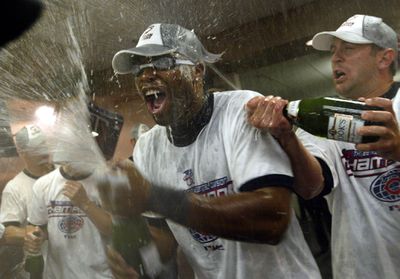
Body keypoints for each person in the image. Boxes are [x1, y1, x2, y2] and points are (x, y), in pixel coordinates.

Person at [107, 23, 321, 279]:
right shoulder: (147, 148)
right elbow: (165, 239)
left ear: (197, 71)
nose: (146, 75)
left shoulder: (240, 110)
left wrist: (155, 197)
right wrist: (131, 248)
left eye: (163, 63)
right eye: (139, 69)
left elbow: (271, 220)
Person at [246, 14, 400, 279]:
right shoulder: (325, 120)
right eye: (333, 51)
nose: (336, 58)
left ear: (384, 58)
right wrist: (286, 137)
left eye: (348, 49)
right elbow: (311, 187)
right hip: (359, 271)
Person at [0, 124, 54, 278]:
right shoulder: (15, 188)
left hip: (73, 266)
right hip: (41, 269)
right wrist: (46, 233)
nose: (43, 150)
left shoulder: (62, 175)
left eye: (44, 144)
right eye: (36, 147)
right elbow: (8, 233)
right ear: (22, 152)